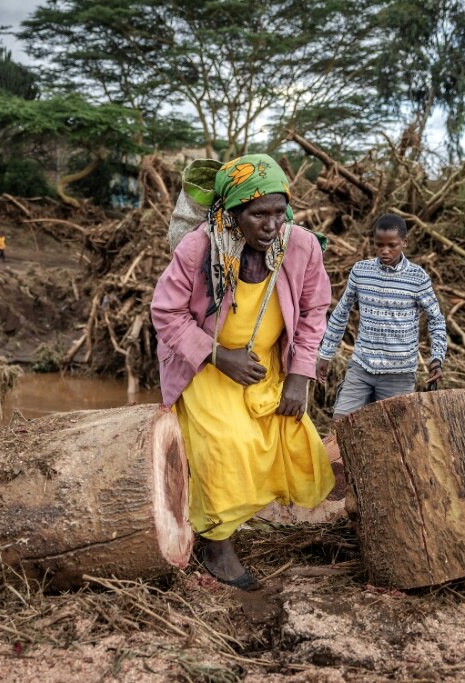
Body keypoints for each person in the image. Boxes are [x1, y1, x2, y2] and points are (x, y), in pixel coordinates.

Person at [151, 153, 333, 591]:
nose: (270, 224)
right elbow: (167, 312)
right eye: (258, 214)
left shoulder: (301, 245)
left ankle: (226, 519)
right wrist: (218, 356)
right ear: (233, 214)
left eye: (278, 211)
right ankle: (217, 543)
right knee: (225, 446)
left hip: (264, 362)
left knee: (286, 438)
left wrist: (299, 375)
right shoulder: (199, 247)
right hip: (206, 365)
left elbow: (313, 311)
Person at [316, 214, 447, 419]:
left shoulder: (418, 278)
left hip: (399, 375)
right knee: (341, 423)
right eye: (379, 245)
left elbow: (436, 320)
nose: (385, 251)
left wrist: (437, 359)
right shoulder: (361, 271)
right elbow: (341, 314)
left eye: (392, 245)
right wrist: (325, 354)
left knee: (396, 437)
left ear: (404, 242)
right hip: (362, 367)